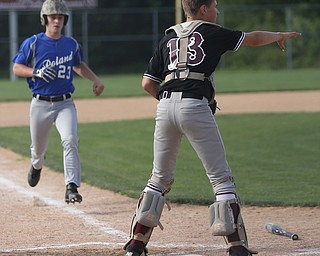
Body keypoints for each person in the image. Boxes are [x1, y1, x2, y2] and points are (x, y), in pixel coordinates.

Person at [123, 0, 301, 255]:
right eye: (214, 6)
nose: (217, 11)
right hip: (195, 106)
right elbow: (252, 38)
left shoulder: (168, 37)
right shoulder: (211, 32)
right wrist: (279, 36)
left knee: (159, 178)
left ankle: (135, 244)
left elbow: (147, 83)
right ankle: (236, 247)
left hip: (164, 108)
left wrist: (170, 102)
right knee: (221, 180)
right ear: (203, 9)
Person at [12, 0, 104, 204]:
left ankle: (71, 187)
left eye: (60, 17)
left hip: (65, 103)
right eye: (52, 17)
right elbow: (17, 68)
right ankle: (37, 165)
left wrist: (95, 79)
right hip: (40, 104)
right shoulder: (34, 43)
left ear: (65, 20)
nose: (56, 20)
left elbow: (78, 65)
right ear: (45, 19)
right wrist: (36, 72)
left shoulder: (70, 44)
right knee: (38, 149)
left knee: (70, 139)